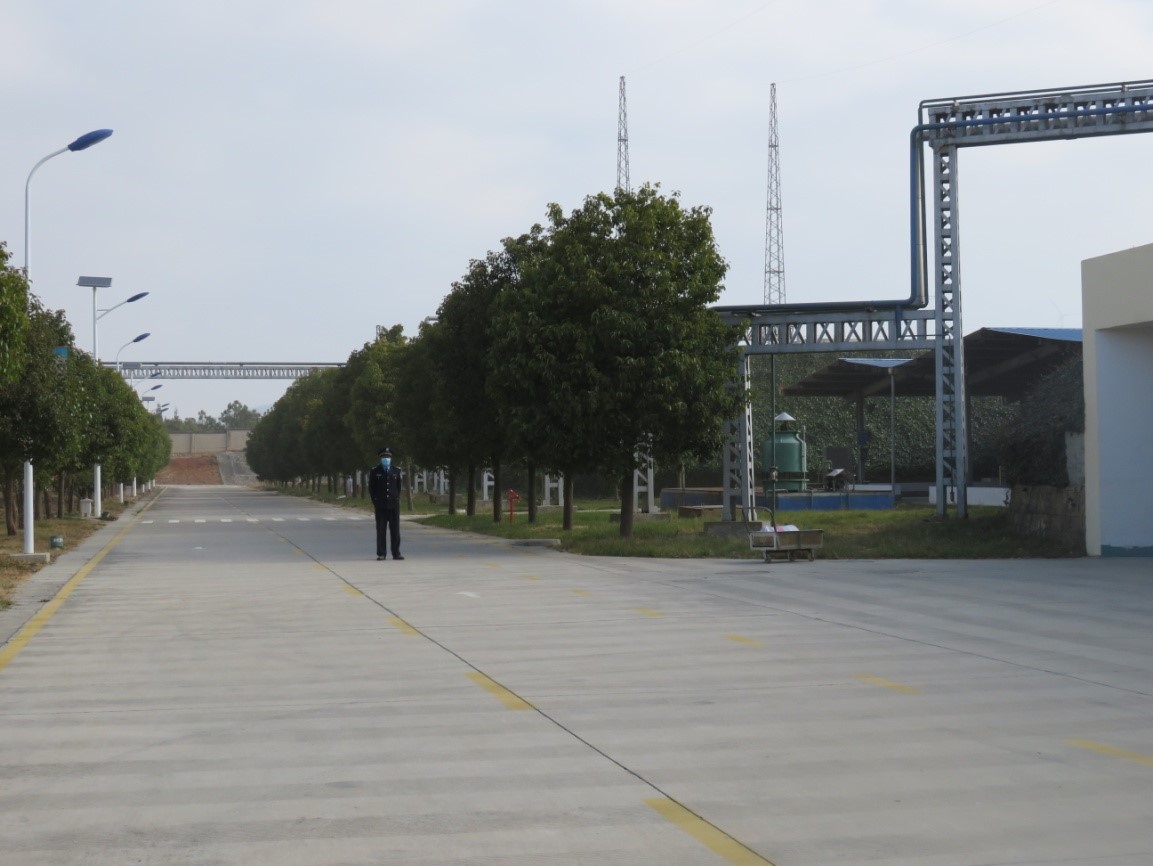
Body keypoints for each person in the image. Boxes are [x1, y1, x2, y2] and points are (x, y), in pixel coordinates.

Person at [367, 447, 404, 560]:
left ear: (391, 458)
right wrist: (376, 502)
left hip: (394, 505)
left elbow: (398, 487)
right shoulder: (375, 471)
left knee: (395, 531)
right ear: (380, 458)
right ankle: (382, 553)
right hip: (380, 506)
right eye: (384, 457)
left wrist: (396, 499)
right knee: (381, 530)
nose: (386, 459)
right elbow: (371, 488)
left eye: (388, 457)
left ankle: (396, 553)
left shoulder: (396, 471)